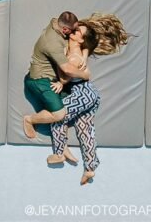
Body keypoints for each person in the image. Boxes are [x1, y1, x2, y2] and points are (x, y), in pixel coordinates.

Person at [46, 13, 131, 185]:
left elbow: (67, 73)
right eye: (76, 29)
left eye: (78, 32)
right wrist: (84, 55)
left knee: (58, 115)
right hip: (89, 95)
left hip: (83, 93)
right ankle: (90, 168)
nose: (74, 31)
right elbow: (84, 49)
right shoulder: (76, 48)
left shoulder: (73, 54)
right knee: (85, 131)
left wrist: (62, 82)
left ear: (80, 40)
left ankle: (60, 152)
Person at [22, 11, 90, 139]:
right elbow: (67, 69)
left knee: (75, 103)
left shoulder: (58, 24)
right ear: (65, 29)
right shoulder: (52, 42)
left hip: (57, 78)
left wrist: (85, 57)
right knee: (59, 114)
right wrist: (84, 75)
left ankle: (62, 146)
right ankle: (29, 120)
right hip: (40, 80)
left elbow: (86, 43)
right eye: (73, 30)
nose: (75, 31)